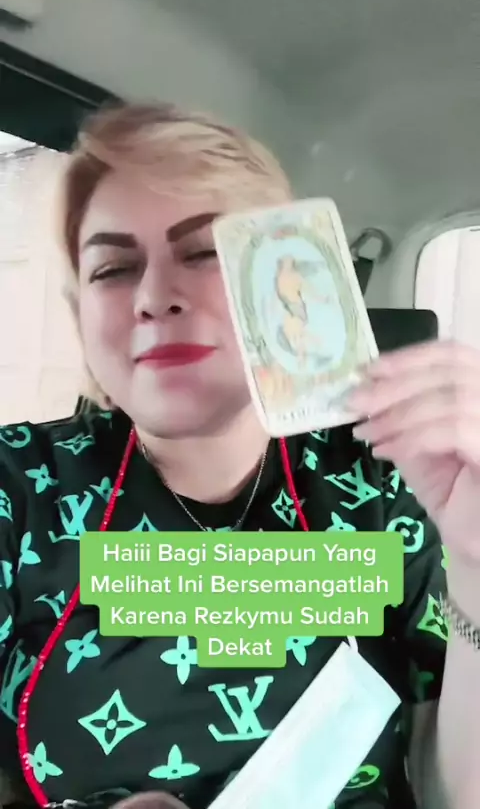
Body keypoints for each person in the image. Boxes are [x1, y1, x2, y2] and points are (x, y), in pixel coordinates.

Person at [1, 102, 480, 809]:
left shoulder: (386, 480)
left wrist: (477, 562)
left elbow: (457, 790)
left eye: (205, 253)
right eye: (113, 268)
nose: (154, 296)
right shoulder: (20, 489)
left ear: (293, 278)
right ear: (82, 314)